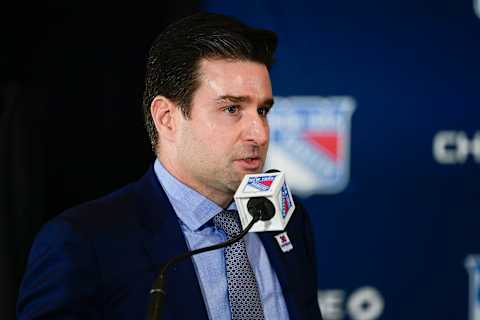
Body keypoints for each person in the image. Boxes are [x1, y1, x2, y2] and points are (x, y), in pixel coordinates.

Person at [17, 12, 322, 320]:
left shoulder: (287, 220)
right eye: (232, 108)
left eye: (263, 110)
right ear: (166, 118)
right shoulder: (83, 243)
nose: (259, 132)